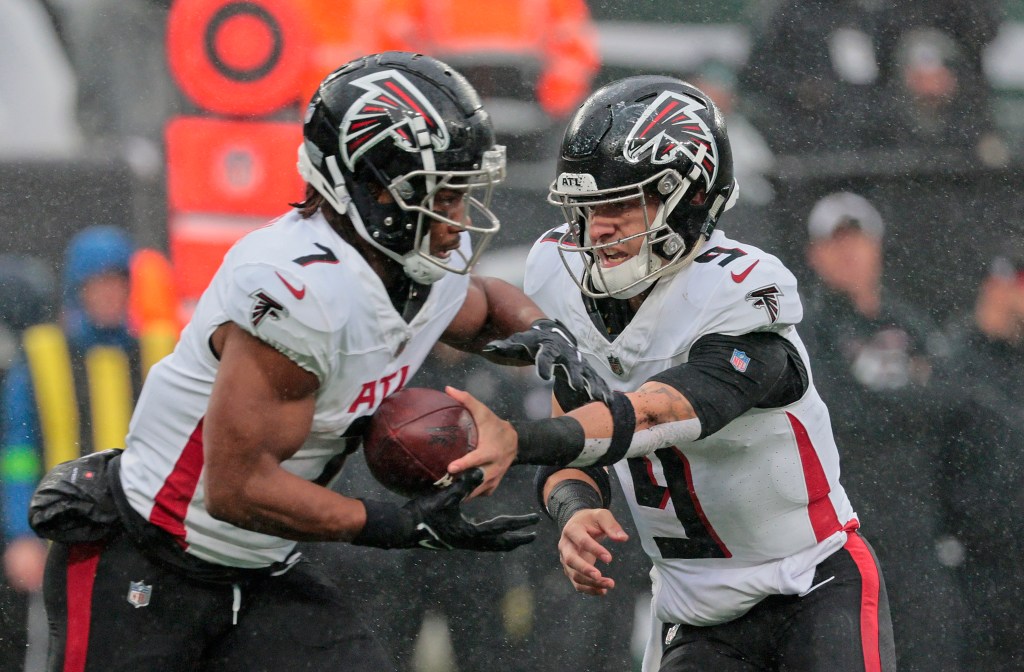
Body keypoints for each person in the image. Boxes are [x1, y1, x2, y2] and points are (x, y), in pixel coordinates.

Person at [35, 52, 608, 672]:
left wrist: (545, 333)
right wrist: (397, 523)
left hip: (262, 569)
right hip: (152, 561)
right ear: (372, 190)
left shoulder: (410, 255)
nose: (459, 219)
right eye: (443, 194)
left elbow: (482, 305)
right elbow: (237, 488)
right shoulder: (297, 291)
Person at [446, 76, 897, 671]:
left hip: (809, 585)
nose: (595, 228)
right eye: (585, 207)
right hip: (693, 613)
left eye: (618, 204)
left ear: (686, 198)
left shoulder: (739, 290)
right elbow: (574, 433)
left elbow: (660, 413)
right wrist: (575, 508)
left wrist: (519, 441)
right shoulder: (561, 275)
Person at [798, 192, 965, 670]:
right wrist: (911, 401)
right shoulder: (810, 330)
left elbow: (952, 401)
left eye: (858, 240)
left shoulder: (910, 322)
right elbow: (838, 412)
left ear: (879, 246)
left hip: (919, 526)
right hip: (848, 530)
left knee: (932, 650)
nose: (848, 253)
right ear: (815, 255)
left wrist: (885, 407)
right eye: (835, 243)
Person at [932, 255, 1024, 671]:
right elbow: (936, 455)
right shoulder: (952, 357)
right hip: (974, 555)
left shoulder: (1015, 358)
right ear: (998, 287)